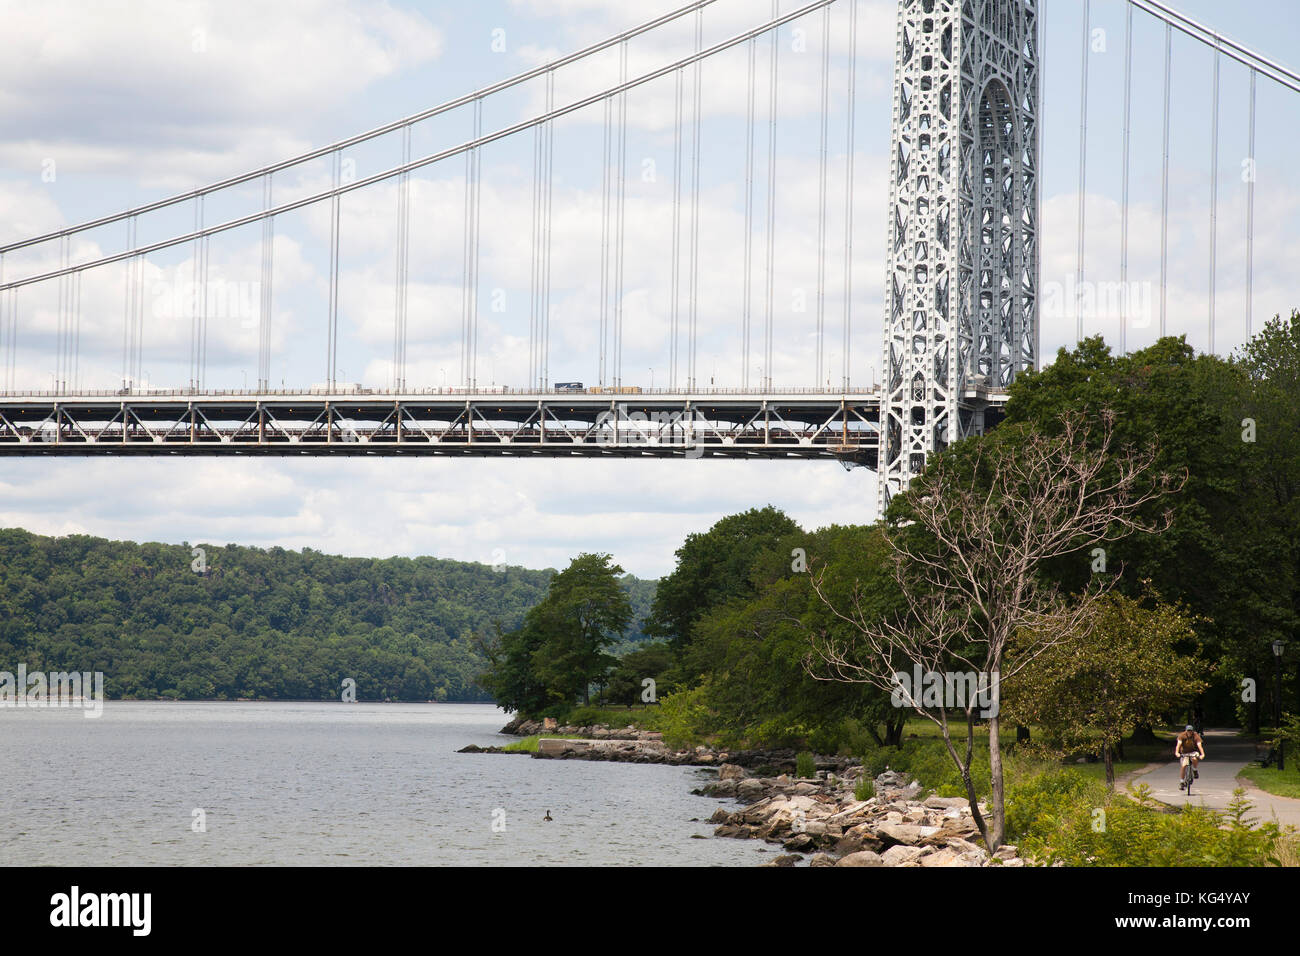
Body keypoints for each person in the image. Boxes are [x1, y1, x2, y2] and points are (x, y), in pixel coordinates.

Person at [1175, 724, 1205, 789]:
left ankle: (1195, 770)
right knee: (1183, 766)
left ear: (1192, 731)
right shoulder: (1182, 735)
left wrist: (1202, 754)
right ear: (1186, 731)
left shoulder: (1196, 735)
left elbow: (1199, 745)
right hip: (1184, 753)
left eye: (1191, 731)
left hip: (1193, 751)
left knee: (1194, 759)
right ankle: (1182, 782)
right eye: (1188, 731)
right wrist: (1177, 752)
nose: (1189, 732)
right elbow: (1178, 745)